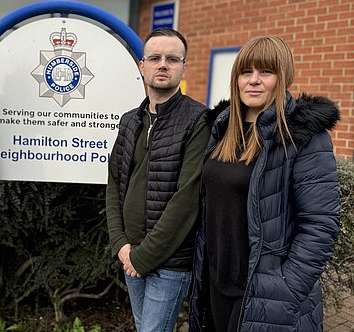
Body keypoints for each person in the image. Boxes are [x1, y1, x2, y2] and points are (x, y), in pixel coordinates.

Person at [188, 35, 340, 332]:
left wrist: (286, 290)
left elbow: (320, 226)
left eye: (266, 72)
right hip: (216, 285)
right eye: (246, 72)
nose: (254, 81)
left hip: (265, 294)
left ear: (283, 78)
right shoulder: (223, 127)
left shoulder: (303, 136)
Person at [106, 27, 210, 332]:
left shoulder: (198, 120)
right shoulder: (129, 120)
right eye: (154, 58)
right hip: (130, 255)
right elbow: (114, 184)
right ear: (142, 66)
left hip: (169, 262)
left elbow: (187, 200)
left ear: (183, 67)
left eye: (172, 59)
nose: (162, 64)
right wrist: (121, 244)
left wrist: (143, 257)